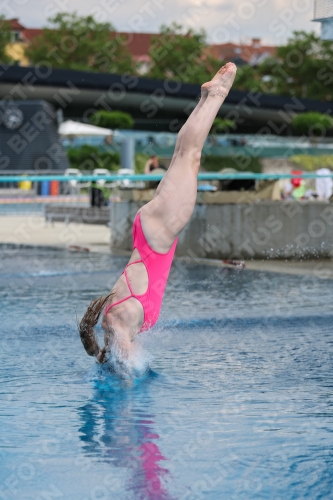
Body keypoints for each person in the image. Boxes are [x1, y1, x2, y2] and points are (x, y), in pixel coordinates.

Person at [79, 62, 237, 375]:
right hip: (152, 233)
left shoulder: (118, 326)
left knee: (190, 156)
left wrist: (123, 394)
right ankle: (207, 98)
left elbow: (130, 371)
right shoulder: (118, 324)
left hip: (158, 236)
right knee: (185, 157)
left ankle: (216, 95)